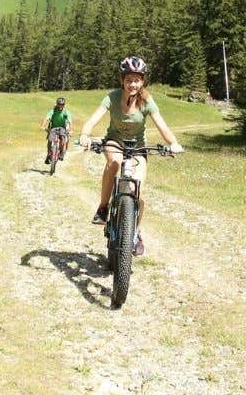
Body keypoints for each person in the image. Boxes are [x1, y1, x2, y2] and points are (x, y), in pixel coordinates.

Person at [78, 56, 183, 257]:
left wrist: (173, 144)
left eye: (136, 80)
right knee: (115, 163)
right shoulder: (112, 97)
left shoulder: (147, 101)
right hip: (114, 141)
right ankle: (102, 208)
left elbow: (162, 125)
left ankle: (134, 233)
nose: (132, 84)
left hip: (138, 147)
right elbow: (94, 118)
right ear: (122, 80)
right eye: (128, 80)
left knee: (139, 192)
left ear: (142, 81)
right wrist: (85, 134)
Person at [39, 96, 72, 164]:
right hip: (53, 127)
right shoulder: (53, 111)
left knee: (63, 139)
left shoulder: (66, 112)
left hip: (62, 128)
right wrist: (42, 126)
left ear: (64, 105)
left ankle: (61, 152)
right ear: (56, 104)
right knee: (50, 140)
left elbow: (70, 121)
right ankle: (48, 154)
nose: (60, 106)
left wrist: (71, 130)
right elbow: (46, 118)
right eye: (59, 104)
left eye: (62, 105)